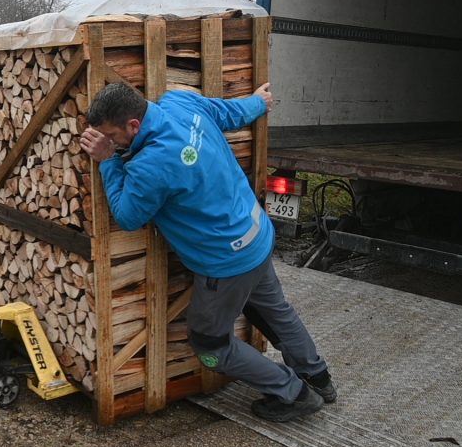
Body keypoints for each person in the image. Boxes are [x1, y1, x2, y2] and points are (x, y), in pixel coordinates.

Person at [79, 82, 336, 423]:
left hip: (225, 263)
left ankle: (294, 393)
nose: (110, 141)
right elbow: (230, 113)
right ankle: (318, 377)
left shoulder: (152, 164)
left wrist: (108, 161)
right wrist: (259, 103)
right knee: (275, 312)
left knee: (210, 345)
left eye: (112, 135)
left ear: (134, 125)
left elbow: (128, 217)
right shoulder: (179, 102)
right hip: (257, 234)